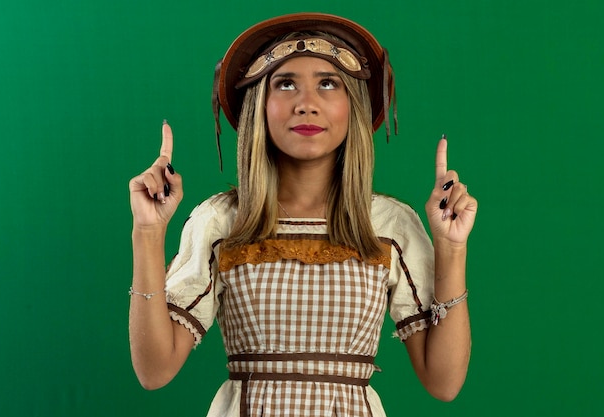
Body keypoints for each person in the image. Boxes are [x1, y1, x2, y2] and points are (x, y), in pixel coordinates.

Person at [128, 12, 478, 417]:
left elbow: (444, 382)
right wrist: (148, 232)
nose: (306, 104)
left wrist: (452, 247)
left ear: (354, 105)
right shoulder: (222, 221)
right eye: (286, 84)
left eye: (328, 84)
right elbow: (153, 371)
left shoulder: (388, 224)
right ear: (260, 106)